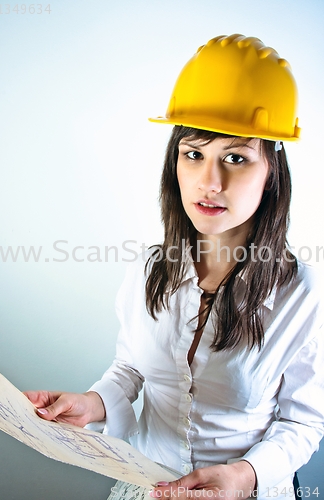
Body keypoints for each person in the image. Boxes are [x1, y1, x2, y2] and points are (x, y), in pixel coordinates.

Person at [25, 34, 324, 499]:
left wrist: (244, 475)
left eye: (236, 158)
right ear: (175, 163)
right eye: (194, 154)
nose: (210, 181)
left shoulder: (303, 291)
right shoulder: (148, 268)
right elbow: (130, 369)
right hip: (149, 484)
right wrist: (92, 403)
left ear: (270, 174)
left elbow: (302, 421)